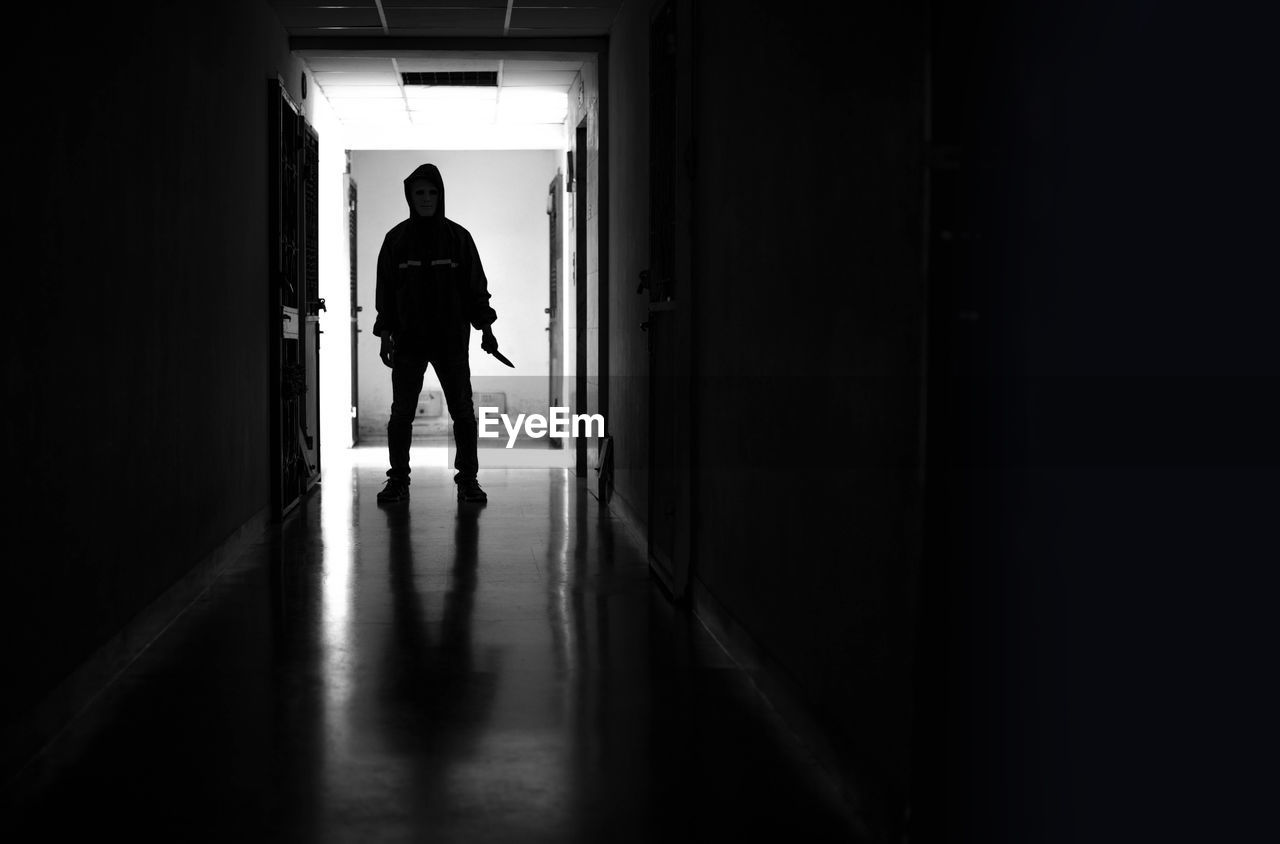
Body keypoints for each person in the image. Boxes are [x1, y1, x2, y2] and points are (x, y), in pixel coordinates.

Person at [373, 163, 500, 504]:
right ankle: (397, 479)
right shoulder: (396, 241)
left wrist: (486, 329)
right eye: (419, 193)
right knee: (401, 413)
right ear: (409, 197)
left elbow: (476, 289)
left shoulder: (459, 239)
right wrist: (385, 335)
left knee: (462, 411)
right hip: (409, 341)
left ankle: (468, 480)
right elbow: (385, 293)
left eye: (432, 192)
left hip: (450, 341)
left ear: (440, 195)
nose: (426, 199)